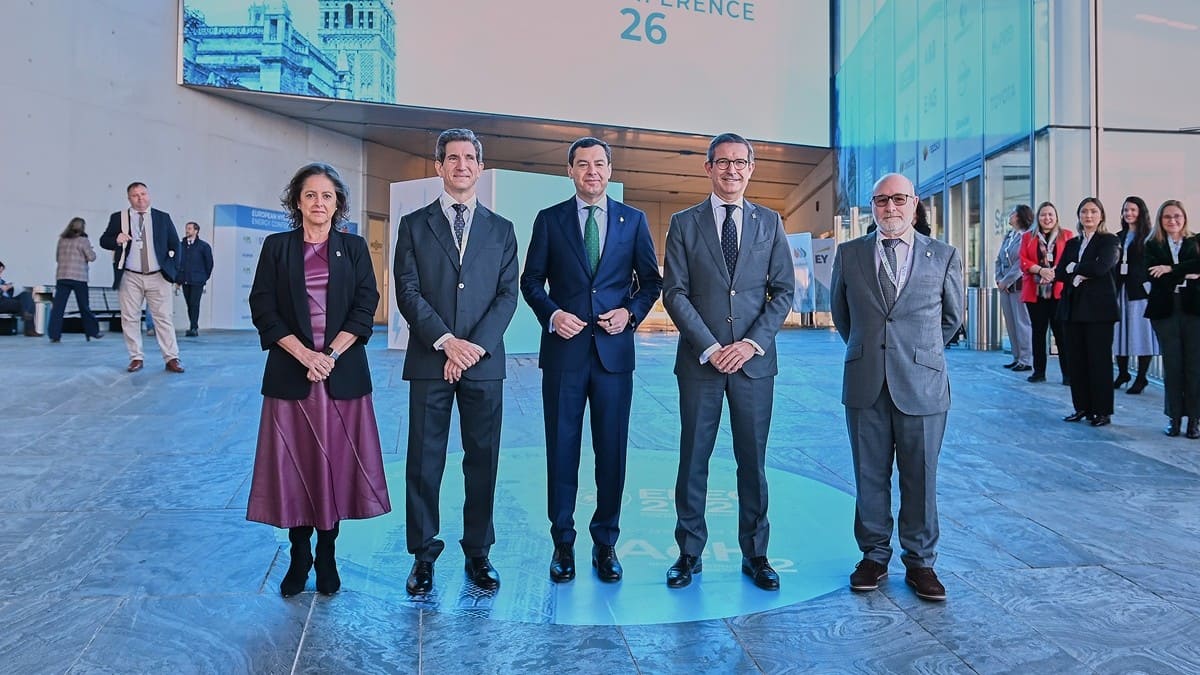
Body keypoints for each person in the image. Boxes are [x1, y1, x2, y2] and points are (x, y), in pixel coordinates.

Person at [519, 137, 662, 584]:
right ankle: (563, 542)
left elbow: (651, 283)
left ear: (610, 169)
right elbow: (531, 282)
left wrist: (631, 313)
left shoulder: (633, 220)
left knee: (611, 453)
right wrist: (553, 314)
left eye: (599, 164)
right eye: (583, 165)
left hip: (613, 356)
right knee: (561, 451)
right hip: (564, 354)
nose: (592, 172)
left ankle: (606, 544)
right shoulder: (549, 220)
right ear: (570, 171)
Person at [246, 162, 390, 598]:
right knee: (296, 468)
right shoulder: (277, 247)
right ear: (297, 201)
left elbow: (366, 306)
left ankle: (327, 555)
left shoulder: (355, 247)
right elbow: (263, 307)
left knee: (334, 469)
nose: (319, 203)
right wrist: (305, 354)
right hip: (292, 374)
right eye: (310, 195)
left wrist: (328, 355)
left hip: (340, 376)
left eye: (327, 196)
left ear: (338, 203)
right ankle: (298, 555)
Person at [661, 133, 795, 591]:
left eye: (740, 162)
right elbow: (674, 292)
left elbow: (783, 293)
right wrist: (711, 346)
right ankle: (688, 552)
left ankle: (756, 554)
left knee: (751, 462)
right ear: (708, 168)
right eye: (723, 162)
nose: (732, 170)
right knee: (693, 458)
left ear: (751, 168)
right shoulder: (683, 223)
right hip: (701, 364)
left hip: (754, 365)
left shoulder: (770, 222)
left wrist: (749, 345)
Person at [393, 128, 519, 595]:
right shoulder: (413, 225)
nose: (461, 165)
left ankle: (478, 552)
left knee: (482, 460)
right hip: (431, 361)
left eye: (469, 157)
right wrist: (446, 342)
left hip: (483, 364)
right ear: (439, 166)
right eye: (452, 157)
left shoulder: (502, 229)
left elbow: (507, 296)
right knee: (424, 461)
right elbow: (407, 291)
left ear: (480, 167)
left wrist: (472, 349)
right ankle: (423, 556)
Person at [831, 172, 964, 602]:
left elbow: (952, 318)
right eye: (882, 201)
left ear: (915, 203)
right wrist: (875, 350)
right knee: (868, 474)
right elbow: (842, 316)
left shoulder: (942, 255)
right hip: (866, 381)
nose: (890, 208)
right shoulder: (850, 254)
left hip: (922, 385)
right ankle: (873, 555)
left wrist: (916, 353)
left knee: (920, 477)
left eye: (899, 199)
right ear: (873, 206)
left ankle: (921, 562)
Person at [99, 182, 184, 373]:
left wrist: (172, 270)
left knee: (164, 318)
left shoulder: (162, 218)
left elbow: (175, 245)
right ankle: (136, 357)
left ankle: (172, 358)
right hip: (130, 276)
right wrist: (115, 240)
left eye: (143, 194)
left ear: (149, 195)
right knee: (130, 318)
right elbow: (103, 240)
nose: (140, 198)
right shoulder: (119, 218)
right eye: (135, 195)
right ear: (129, 198)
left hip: (158, 276)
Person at [1055, 197, 1120, 427]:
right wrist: (1078, 271)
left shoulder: (1109, 240)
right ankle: (1081, 407)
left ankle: (1102, 411)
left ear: (1101, 215)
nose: (1088, 216)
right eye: (1084, 212)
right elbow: (1061, 272)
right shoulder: (1073, 243)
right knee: (1077, 361)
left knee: (1099, 361)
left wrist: (1077, 269)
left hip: (1098, 311)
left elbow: (1102, 267)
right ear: (1079, 216)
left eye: (1093, 211)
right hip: (1072, 308)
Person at [1145, 200, 1200, 438]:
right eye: (1167, 217)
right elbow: (1151, 274)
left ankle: (1194, 420)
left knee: (1194, 366)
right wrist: (1185, 273)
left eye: (1177, 216)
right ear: (1160, 220)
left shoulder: (1196, 241)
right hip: (1165, 311)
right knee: (1173, 365)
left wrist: (1168, 269)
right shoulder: (1152, 244)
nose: (1173, 220)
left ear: (1184, 218)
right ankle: (1174, 418)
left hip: (1193, 310)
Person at [1020, 202, 1074, 384]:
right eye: (1043, 215)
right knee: (1038, 332)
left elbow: (1070, 260)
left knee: (1062, 333)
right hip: (1035, 291)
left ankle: (1067, 374)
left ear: (1056, 217)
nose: (1047, 218)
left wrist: (1052, 273)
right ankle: (1039, 371)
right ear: (1038, 217)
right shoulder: (1028, 237)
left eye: (1050, 214)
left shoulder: (1066, 235)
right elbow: (1023, 260)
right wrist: (1040, 270)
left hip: (1058, 291)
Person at [1112, 196, 1158, 394]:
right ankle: (1123, 373)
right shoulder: (1117, 236)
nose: (1128, 213)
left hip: (1140, 291)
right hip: (1120, 289)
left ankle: (1141, 377)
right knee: (1119, 332)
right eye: (1125, 210)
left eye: (1133, 210)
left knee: (1141, 333)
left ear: (1141, 212)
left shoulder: (1149, 237)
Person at [47, 218, 102, 342]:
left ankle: (54, 335)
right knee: (84, 306)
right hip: (79, 277)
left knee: (58, 308)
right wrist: (91, 250)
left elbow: (57, 258)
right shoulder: (83, 241)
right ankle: (92, 332)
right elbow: (91, 257)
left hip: (62, 276)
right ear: (83, 227)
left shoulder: (62, 240)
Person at [995, 205, 1034, 371]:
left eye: (1012, 213)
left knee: (1022, 323)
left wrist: (1007, 280)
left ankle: (1026, 359)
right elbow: (999, 259)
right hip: (1005, 286)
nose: (1009, 216)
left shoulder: (1027, 236)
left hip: (1018, 286)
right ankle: (1016, 356)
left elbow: (1020, 263)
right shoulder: (1009, 236)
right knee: (1010, 323)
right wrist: (998, 278)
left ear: (1019, 217)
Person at [177, 221, 214, 337]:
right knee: (189, 304)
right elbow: (177, 262)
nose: (187, 230)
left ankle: (194, 327)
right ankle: (192, 325)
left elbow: (209, 264)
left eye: (189, 228)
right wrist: (178, 279)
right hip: (185, 279)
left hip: (197, 280)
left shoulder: (203, 246)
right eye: (186, 228)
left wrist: (204, 277)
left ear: (196, 231)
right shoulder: (180, 245)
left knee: (194, 303)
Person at [0, 261, 43, 337]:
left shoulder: (2, 281)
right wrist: (2, 289)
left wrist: (10, 287)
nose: (0, 274)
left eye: (1, 271)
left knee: (27, 295)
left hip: (8, 301)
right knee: (26, 304)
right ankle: (29, 328)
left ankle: (26, 314)